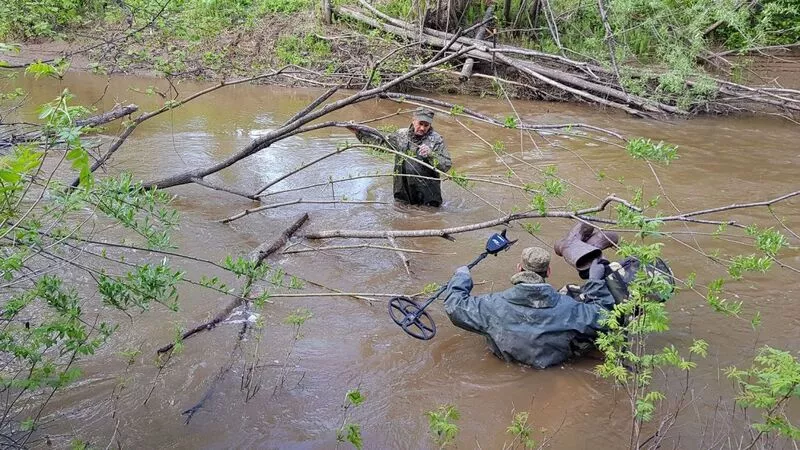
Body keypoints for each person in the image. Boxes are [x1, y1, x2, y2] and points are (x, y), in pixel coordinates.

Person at [441, 246, 616, 369]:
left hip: (506, 364)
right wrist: (595, 281)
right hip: (553, 368)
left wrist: (462, 276)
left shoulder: (492, 305)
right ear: (548, 272)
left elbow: (454, 306)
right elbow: (606, 317)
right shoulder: (570, 309)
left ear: (519, 269)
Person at [346, 108, 452, 207]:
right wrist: (358, 132)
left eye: (426, 125)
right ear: (413, 120)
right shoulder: (401, 135)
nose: (422, 128)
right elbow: (380, 144)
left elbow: (446, 165)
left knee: (430, 218)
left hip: (428, 194)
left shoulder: (437, 140)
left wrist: (431, 154)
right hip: (402, 190)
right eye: (420, 124)